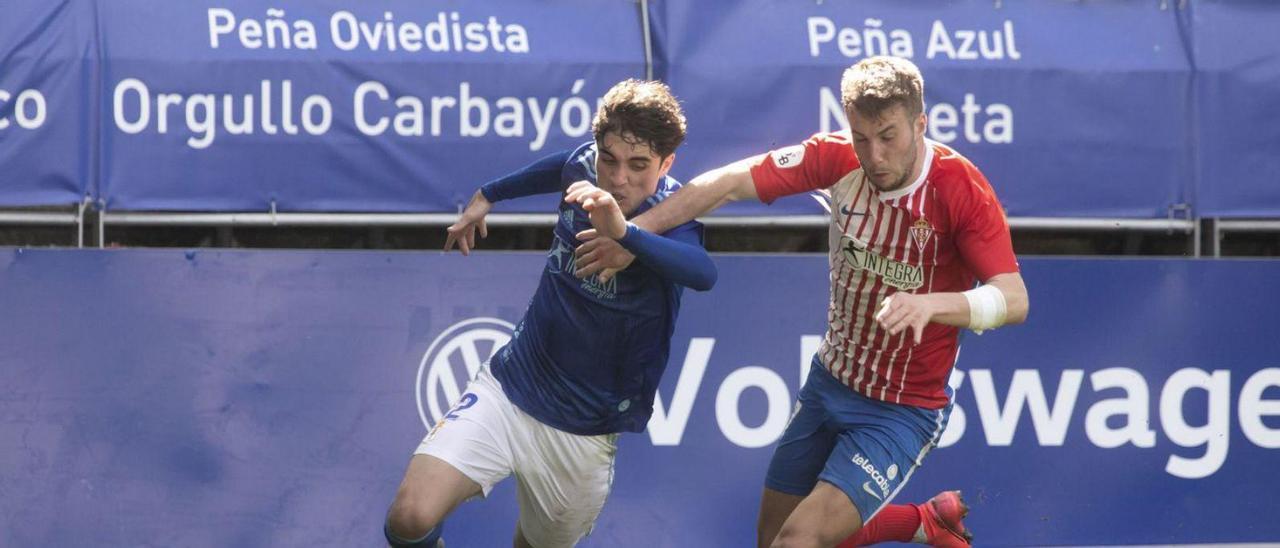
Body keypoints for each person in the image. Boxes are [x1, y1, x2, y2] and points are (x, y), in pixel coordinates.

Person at [573, 56, 1029, 548]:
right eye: (860, 137)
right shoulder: (838, 158)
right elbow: (726, 184)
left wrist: (932, 305)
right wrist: (633, 237)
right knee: (773, 539)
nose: (874, 155)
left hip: (903, 408)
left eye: (889, 136)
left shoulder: (960, 190)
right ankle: (921, 523)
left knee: (798, 541)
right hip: (829, 382)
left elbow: (1013, 299)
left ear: (920, 124)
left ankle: (918, 522)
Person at [383, 79, 716, 548]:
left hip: (584, 432)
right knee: (408, 518)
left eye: (639, 166)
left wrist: (628, 236)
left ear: (667, 164)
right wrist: (490, 193)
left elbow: (704, 274)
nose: (618, 178)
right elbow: (562, 164)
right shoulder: (585, 167)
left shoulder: (674, 216)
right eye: (610, 159)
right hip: (511, 388)